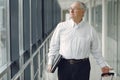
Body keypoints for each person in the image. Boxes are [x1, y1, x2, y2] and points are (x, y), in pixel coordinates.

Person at [47, 1, 111, 80]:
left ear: (83, 12)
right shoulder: (61, 27)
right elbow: (54, 46)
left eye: (74, 9)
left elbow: (96, 50)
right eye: (70, 9)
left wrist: (103, 65)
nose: (71, 11)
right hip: (64, 65)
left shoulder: (90, 29)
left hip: (83, 67)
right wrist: (50, 62)